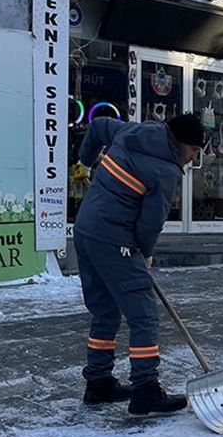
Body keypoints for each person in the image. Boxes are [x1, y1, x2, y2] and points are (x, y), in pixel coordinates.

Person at [73, 113, 204, 416]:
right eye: (194, 151)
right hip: (114, 239)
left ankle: (98, 382)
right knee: (143, 314)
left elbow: (97, 126)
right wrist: (143, 254)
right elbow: (150, 224)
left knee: (105, 309)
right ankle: (146, 389)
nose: (193, 159)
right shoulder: (165, 171)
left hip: (85, 231)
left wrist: (86, 160)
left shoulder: (131, 132)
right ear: (181, 143)